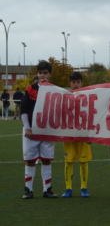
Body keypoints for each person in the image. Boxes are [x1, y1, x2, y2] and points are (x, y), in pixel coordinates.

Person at [21, 61, 57, 199]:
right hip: (31, 131)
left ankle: (47, 189)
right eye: (40, 73)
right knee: (30, 160)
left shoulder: (55, 90)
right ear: (38, 74)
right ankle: (28, 190)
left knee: (47, 160)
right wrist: (28, 128)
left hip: (47, 130)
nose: (42, 75)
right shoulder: (30, 89)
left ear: (50, 74)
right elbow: (24, 110)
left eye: (45, 73)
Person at [61, 72, 92, 198]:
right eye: (73, 82)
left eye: (78, 82)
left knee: (83, 161)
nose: (76, 84)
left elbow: (92, 114)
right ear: (70, 84)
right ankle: (68, 188)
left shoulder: (88, 96)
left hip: (83, 134)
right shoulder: (65, 96)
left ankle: (83, 187)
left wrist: (90, 134)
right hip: (68, 133)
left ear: (82, 83)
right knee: (69, 161)